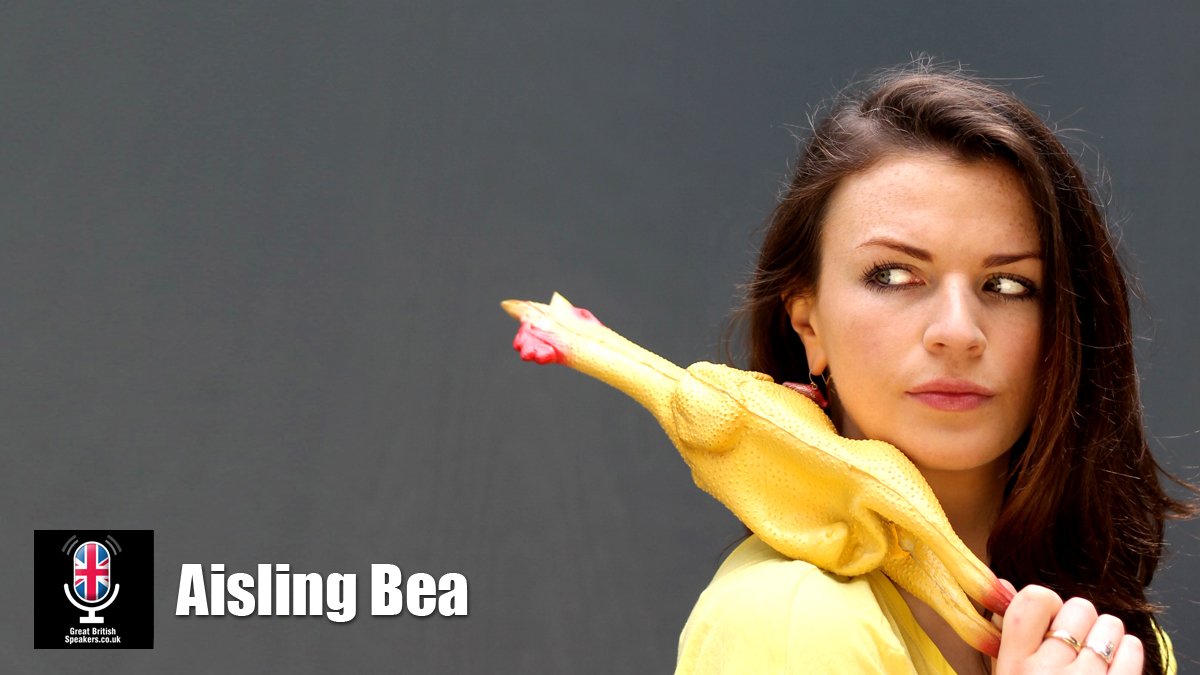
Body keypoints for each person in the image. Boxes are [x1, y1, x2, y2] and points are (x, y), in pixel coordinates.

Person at [675, 63, 1195, 675]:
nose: (958, 331)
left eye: (1008, 284)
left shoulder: (1111, 642)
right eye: (894, 276)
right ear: (808, 324)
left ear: (1062, 329)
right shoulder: (790, 621)